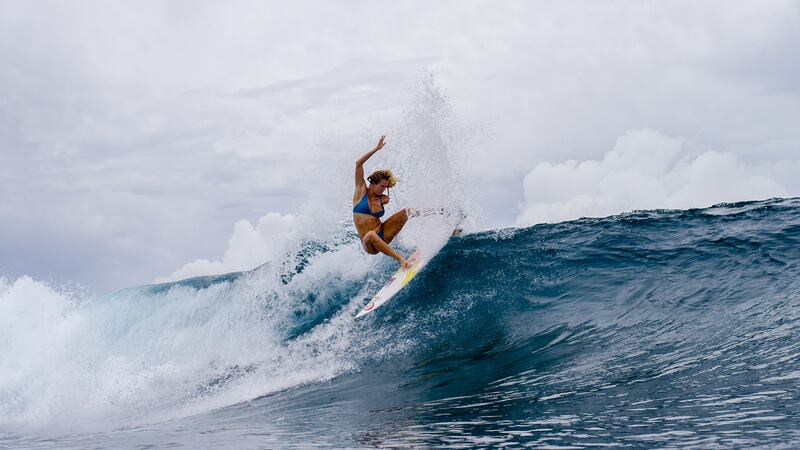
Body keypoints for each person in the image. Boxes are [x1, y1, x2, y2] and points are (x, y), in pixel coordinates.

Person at [352, 135, 416, 269]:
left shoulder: (383, 198)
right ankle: (401, 261)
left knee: (407, 212)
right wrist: (376, 149)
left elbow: (385, 198)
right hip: (369, 244)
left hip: (383, 233)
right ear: (373, 184)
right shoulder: (360, 191)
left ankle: (442, 213)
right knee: (370, 234)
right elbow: (358, 163)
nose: (384, 190)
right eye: (382, 186)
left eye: (386, 187)